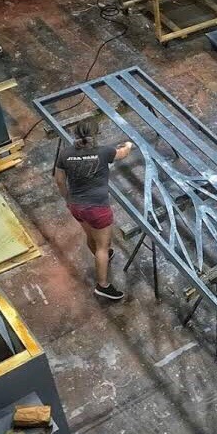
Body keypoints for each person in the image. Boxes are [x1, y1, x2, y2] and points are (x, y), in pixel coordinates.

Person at [55, 121, 133, 300]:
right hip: (98, 208)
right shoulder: (104, 152)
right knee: (103, 247)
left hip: (77, 207)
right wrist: (128, 144)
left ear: (76, 135)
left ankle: (102, 257)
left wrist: (67, 199)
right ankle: (103, 285)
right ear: (95, 135)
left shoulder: (65, 154)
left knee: (91, 236)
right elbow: (122, 153)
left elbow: (59, 180)